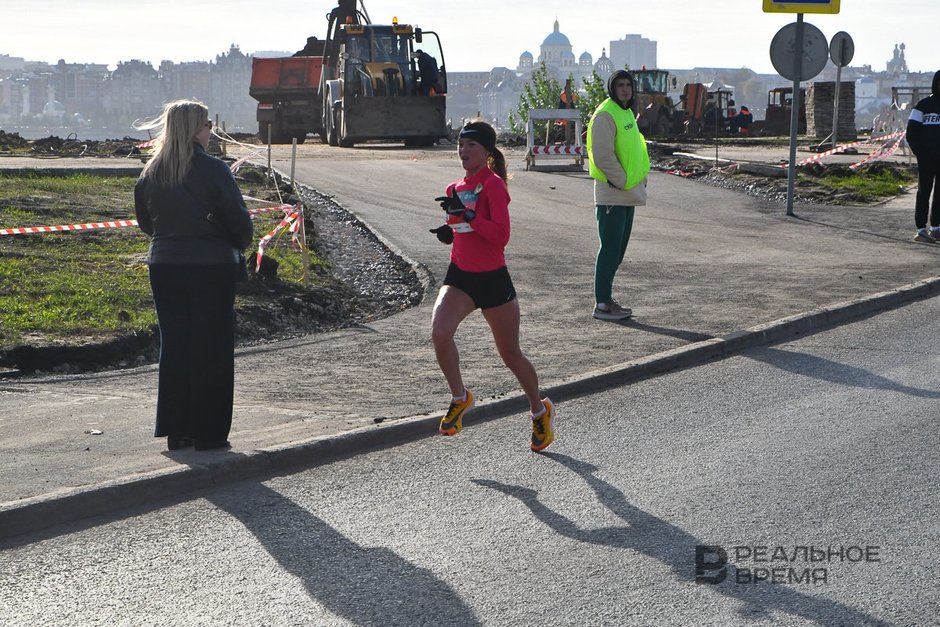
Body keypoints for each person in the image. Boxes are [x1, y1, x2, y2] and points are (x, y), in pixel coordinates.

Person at [428, 120, 555, 452]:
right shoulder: (455, 188)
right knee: (440, 331)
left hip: (493, 279)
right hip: (461, 276)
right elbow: (460, 228)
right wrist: (448, 231)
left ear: (486, 153)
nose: (463, 151)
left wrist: (468, 218)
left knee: (510, 354)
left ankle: (539, 411)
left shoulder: (494, 185)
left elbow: (500, 237)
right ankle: (460, 397)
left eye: (471, 145)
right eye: (460, 144)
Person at [134, 100, 253, 451]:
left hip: (165, 264)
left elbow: (145, 222)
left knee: (176, 346)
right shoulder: (214, 170)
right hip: (212, 266)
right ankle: (209, 432)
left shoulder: (151, 172)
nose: (211, 130)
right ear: (196, 129)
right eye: (208, 124)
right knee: (212, 348)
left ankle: (177, 430)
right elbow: (240, 226)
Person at [586, 69, 650, 321]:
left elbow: (633, 148)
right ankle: (602, 303)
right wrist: (622, 180)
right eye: (620, 85)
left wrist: (638, 179)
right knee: (610, 249)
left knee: (618, 251)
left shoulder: (624, 112)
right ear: (612, 88)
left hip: (627, 192)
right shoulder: (605, 114)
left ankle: (607, 299)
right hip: (613, 192)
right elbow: (602, 155)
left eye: (628, 84)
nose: (625, 89)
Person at [907, 70, 940, 243]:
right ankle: (921, 229)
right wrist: (921, 152)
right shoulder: (923, 105)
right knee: (924, 192)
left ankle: (936, 228)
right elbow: (911, 133)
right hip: (926, 157)